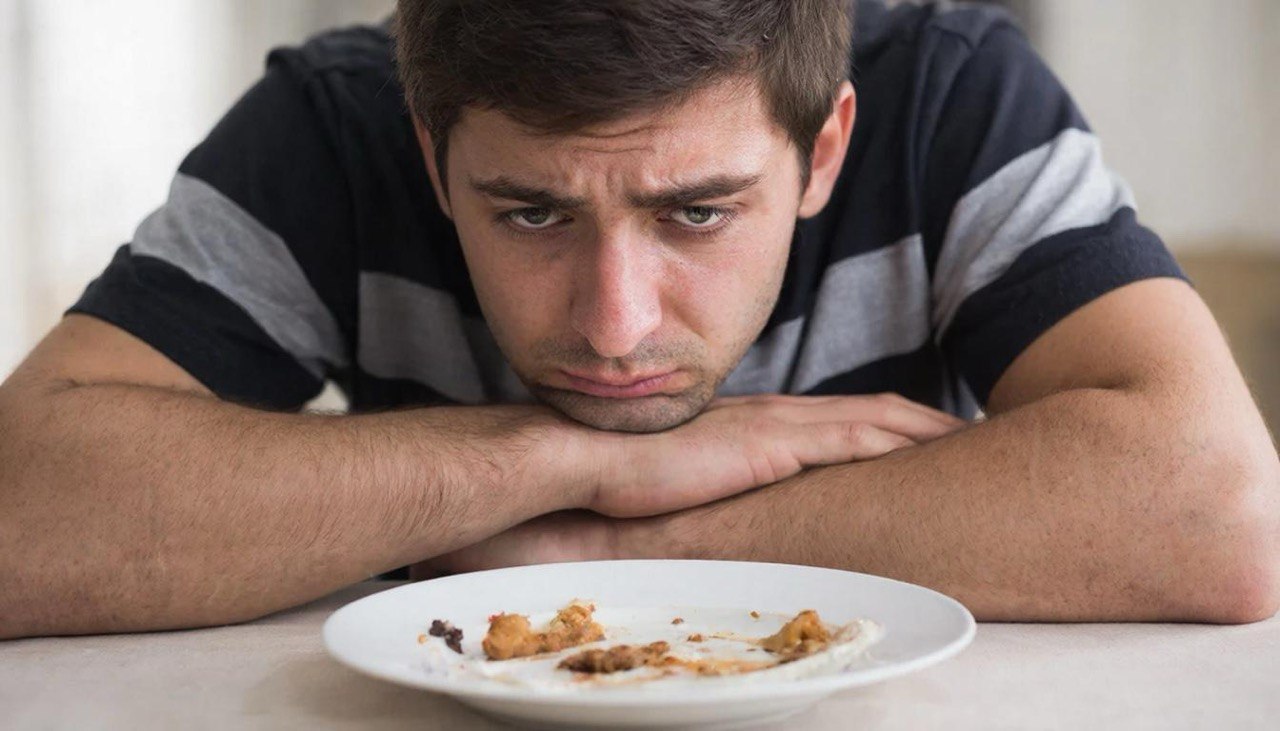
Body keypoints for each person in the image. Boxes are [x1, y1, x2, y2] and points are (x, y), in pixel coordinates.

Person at [1, 0, 1276, 640]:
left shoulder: (954, 99)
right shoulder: (329, 126)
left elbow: (1215, 512)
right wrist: (579, 461)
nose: (615, 327)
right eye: (531, 214)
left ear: (824, 147)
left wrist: (588, 548)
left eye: (698, 213)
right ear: (431, 151)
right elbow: (24, 510)